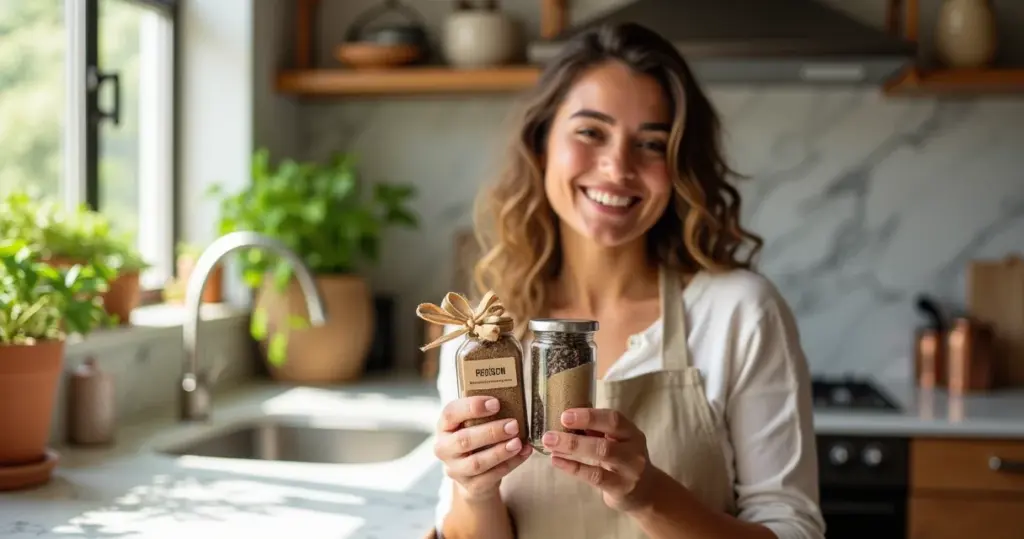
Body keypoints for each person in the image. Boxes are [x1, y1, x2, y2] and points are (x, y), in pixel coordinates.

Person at [429, 21, 825, 539]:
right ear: (542, 141)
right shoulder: (485, 335)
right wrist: (472, 492)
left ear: (679, 166)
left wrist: (649, 496)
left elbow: (794, 531)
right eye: (591, 132)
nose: (618, 167)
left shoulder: (739, 313)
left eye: (653, 144)